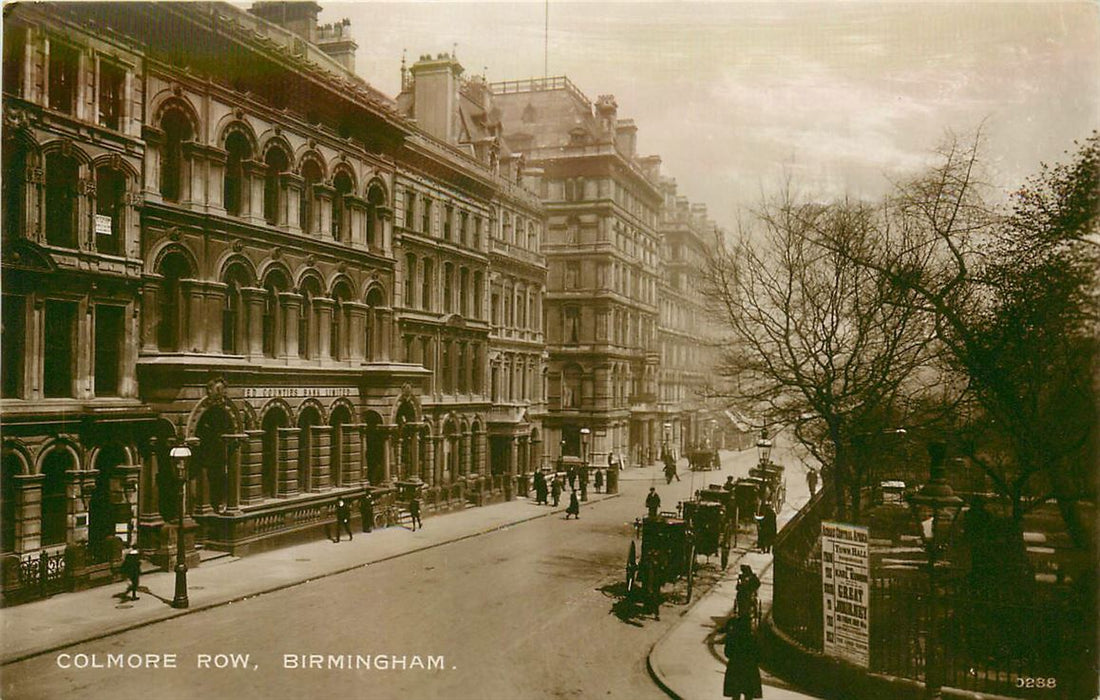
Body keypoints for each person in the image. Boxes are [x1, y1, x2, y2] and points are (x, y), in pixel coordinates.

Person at [723, 615, 763, 700]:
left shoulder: (733, 638)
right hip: (750, 669)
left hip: (735, 668)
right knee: (749, 694)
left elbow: (727, 653)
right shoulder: (753, 638)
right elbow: (759, 655)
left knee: (735, 694)